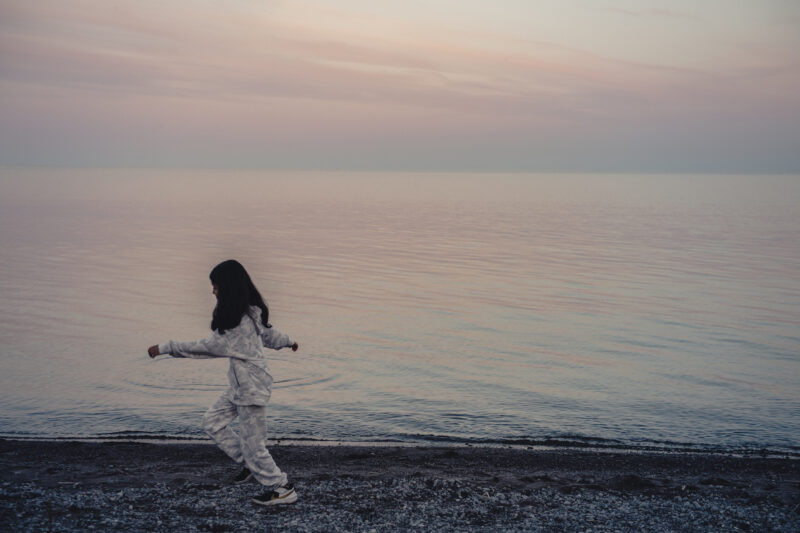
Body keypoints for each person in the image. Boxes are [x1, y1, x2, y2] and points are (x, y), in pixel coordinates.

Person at [147, 259, 299, 506]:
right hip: (241, 386)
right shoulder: (246, 313)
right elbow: (268, 334)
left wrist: (166, 347)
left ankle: (281, 487)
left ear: (228, 288)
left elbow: (205, 347)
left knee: (255, 446)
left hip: (252, 389)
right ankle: (249, 464)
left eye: (216, 286)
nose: (213, 291)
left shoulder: (240, 323)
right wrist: (289, 341)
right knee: (212, 422)